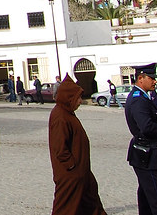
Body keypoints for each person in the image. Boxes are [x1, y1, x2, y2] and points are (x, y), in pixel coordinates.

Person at [49, 75, 107, 215]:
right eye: (77, 98)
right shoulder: (60, 116)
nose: (80, 101)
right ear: (68, 97)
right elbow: (60, 148)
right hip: (71, 176)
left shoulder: (67, 113)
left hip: (81, 173)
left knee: (92, 206)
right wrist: (73, 167)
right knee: (66, 209)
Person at [125, 62, 157, 215]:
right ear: (140, 78)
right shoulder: (139, 100)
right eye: (151, 78)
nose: (154, 81)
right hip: (149, 155)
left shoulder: (144, 96)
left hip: (147, 155)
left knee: (147, 200)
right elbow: (147, 127)